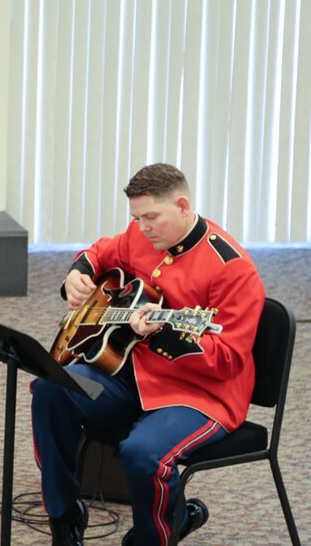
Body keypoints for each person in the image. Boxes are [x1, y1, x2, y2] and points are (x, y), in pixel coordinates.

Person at [31, 163, 264, 546]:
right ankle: (65, 518)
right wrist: (77, 272)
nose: (142, 228)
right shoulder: (140, 236)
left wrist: (164, 335)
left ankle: (154, 537)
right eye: (136, 218)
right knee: (53, 389)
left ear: (184, 206)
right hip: (128, 375)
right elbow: (101, 252)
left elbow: (228, 360)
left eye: (151, 217)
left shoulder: (232, 269)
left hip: (199, 396)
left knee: (144, 454)